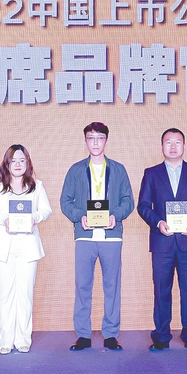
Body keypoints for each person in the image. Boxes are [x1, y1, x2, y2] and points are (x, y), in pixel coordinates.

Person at [136, 128, 187, 351]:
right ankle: (161, 336)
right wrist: (158, 222)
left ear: (184, 146)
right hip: (162, 242)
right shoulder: (151, 173)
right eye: (168, 142)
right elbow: (143, 206)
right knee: (161, 290)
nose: (173, 146)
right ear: (161, 146)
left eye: (177, 142)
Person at [59, 122, 134, 351]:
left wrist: (115, 215)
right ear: (85, 141)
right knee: (83, 286)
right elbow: (65, 201)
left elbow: (128, 200)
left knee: (112, 286)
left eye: (100, 138)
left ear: (106, 141)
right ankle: (83, 335)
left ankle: (110, 334)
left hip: (111, 236)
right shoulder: (76, 170)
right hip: (85, 236)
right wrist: (79, 216)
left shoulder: (118, 169)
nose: (95, 142)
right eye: (91, 138)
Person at [0, 145, 53, 354]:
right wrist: (4, 219)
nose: (18, 164)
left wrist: (34, 218)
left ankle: (22, 339)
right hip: (3, 246)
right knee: (5, 294)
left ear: (27, 163)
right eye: (14, 161)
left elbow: (46, 210)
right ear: (7, 164)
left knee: (25, 294)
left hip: (28, 246)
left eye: (22, 160)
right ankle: (6, 340)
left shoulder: (36, 186)